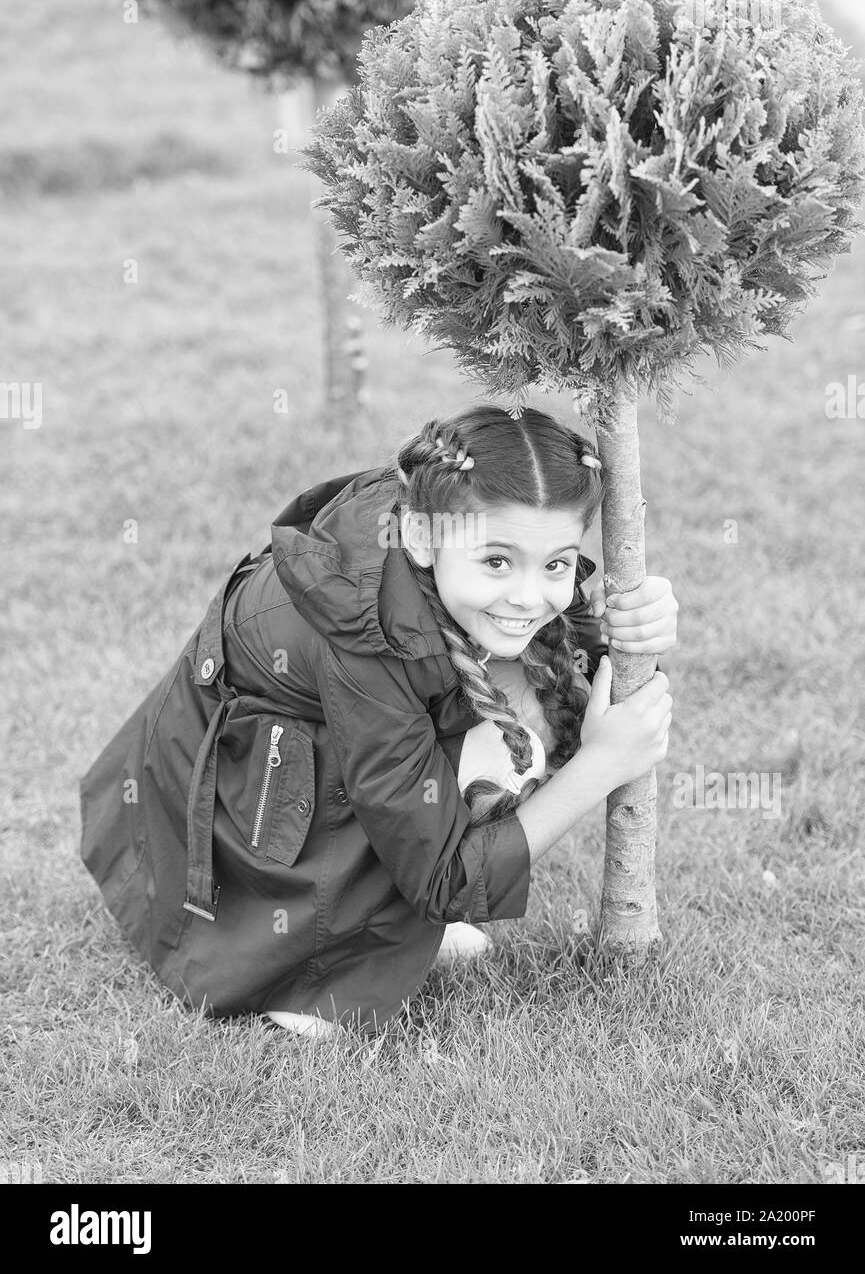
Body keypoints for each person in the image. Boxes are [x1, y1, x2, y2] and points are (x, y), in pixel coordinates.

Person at [80, 403, 676, 1038]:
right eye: (497, 562)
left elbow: (572, 657)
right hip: (247, 793)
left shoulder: (427, 525)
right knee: (476, 772)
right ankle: (300, 969)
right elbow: (444, 877)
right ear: (421, 536)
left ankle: (370, 930)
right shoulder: (365, 637)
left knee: (538, 691)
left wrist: (639, 629)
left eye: (555, 563)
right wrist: (601, 768)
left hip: (319, 744)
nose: (531, 596)